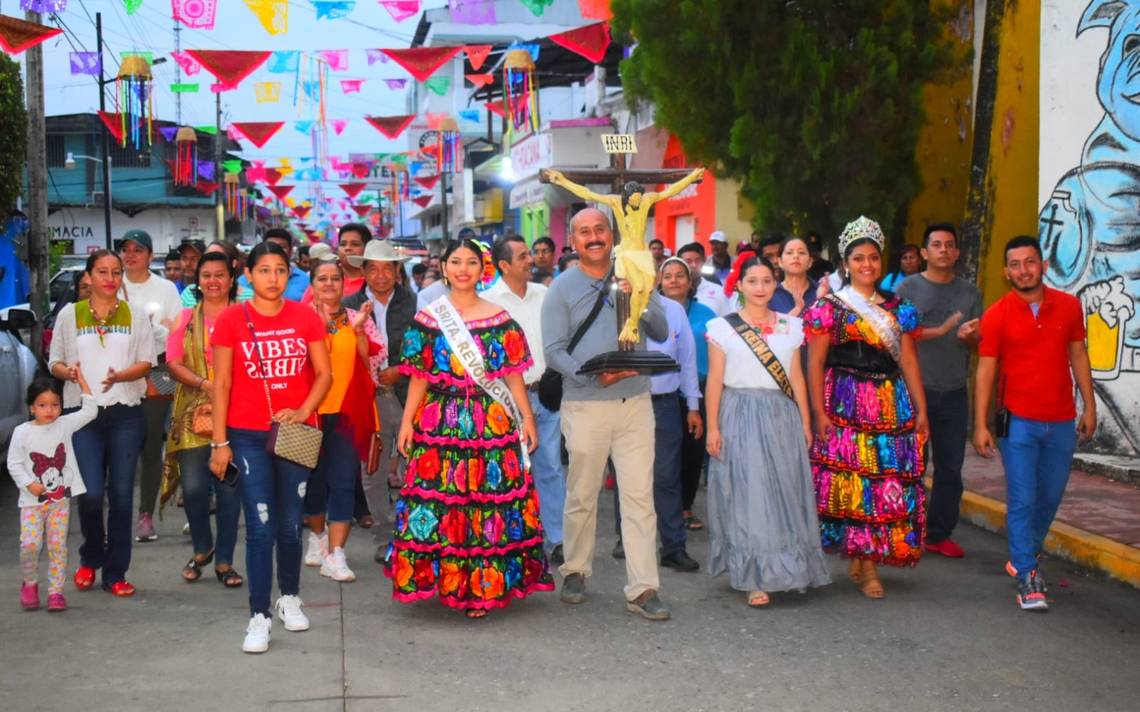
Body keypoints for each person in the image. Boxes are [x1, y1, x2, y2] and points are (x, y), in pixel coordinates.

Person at [385, 238, 553, 617]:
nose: (463, 268)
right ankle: (447, 581)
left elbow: (512, 377)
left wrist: (526, 419)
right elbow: (419, 377)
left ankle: (482, 588)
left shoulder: (499, 317)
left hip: (490, 422)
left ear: (483, 269)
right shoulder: (429, 318)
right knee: (441, 502)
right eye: (455, 261)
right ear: (443, 268)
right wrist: (407, 422)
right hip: (439, 421)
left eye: (471, 262)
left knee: (486, 503)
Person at [543, 207, 672, 621]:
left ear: (611, 235)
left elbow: (660, 330)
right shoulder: (561, 289)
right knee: (582, 493)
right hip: (585, 404)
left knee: (638, 497)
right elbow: (553, 351)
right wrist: (593, 377)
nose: (594, 237)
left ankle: (643, 587)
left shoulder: (634, 273)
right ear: (574, 241)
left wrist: (639, 295)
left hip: (635, 402)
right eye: (584, 232)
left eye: (600, 229)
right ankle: (576, 569)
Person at [208, 241, 332, 654]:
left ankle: (290, 598)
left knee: (290, 525)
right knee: (260, 527)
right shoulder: (230, 320)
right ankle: (258, 615)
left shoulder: (306, 316)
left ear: (289, 273)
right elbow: (221, 384)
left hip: (295, 434)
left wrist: (302, 410)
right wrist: (219, 442)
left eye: (280, 270)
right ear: (248, 275)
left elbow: (323, 374)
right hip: (246, 435)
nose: (273, 278)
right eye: (264, 270)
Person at [803, 216, 929, 599]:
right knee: (856, 481)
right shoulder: (830, 307)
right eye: (858, 258)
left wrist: (921, 410)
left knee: (884, 480)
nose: (867, 265)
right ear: (846, 262)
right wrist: (818, 412)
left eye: (873, 257)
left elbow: (908, 361)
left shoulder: (899, 308)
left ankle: (866, 554)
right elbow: (815, 363)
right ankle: (867, 563)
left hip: (890, 403)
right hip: (844, 401)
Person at [973, 235, 1096, 612]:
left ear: (1043, 265)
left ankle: (1023, 553)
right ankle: (1027, 573)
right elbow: (986, 370)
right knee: (1023, 498)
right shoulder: (997, 314)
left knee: (1050, 496)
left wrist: (1089, 406)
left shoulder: (1069, 307)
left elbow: (1078, 354)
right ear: (1005, 271)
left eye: (1030, 262)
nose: (1023, 270)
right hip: (1019, 423)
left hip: (1060, 420)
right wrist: (980, 424)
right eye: (1015, 264)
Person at [704, 256, 830, 606]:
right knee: (750, 494)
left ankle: (787, 569)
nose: (760, 288)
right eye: (753, 281)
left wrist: (804, 422)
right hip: (739, 413)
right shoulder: (722, 328)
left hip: (781, 415)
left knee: (785, 491)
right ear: (740, 286)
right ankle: (754, 576)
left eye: (766, 281)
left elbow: (797, 377)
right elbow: (715, 380)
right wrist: (712, 426)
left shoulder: (791, 327)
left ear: (775, 285)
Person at [48, 250, 156, 597]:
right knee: (91, 493)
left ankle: (115, 571)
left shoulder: (135, 315)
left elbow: (146, 362)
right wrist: (68, 372)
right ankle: (90, 556)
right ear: (89, 278)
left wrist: (121, 375)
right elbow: (55, 363)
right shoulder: (70, 315)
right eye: (102, 272)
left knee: (122, 496)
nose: (110, 278)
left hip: (125, 412)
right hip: (83, 415)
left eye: (116, 272)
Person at [896, 224, 982, 559]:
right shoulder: (908, 288)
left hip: (954, 390)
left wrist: (968, 337)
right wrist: (944, 328)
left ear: (957, 253)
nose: (943, 249)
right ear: (924, 252)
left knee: (950, 467)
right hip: (915, 390)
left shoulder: (970, 293)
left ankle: (938, 533)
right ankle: (907, 529)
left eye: (949, 244)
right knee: (913, 464)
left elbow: (978, 343)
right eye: (936, 244)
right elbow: (901, 336)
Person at [613, 257, 703, 572]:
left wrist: (693, 406)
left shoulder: (674, 310)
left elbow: (688, 361)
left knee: (666, 477)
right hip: (626, 400)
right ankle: (626, 538)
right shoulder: (617, 305)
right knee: (628, 475)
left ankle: (673, 547)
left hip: (665, 403)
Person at [163, 253, 244, 588]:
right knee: (195, 488)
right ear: (198, 281)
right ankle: (202, 547)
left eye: (220, 275)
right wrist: (204, 384)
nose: (213, 281)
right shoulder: (185, 318)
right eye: (206, 275)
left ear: (231, 279)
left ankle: (224, 560)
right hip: (194, 411)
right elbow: (173, 362)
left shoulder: (245, 317)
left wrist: (227, 388)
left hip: (239, 409)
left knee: (229, 489)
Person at [485, 235, 565, 564]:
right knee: (511, 473)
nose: (530, 259)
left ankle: (557, 538)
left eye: (529, 253)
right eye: (522, 256)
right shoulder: (488, 301)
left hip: (544, 395)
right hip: (506, 400)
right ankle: (515, 540)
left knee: (550, 468)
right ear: (504, 265)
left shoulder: (545, 295)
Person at [301, 260, 381, 582]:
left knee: (344, 481)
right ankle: (317, 538)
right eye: (323, 278)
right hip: (310, 413)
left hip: (349, 412)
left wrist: (359, 330)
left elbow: (370, 361)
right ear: (313, 283)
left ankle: (336, 555)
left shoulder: (356, 317)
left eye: (336, 278)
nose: (330, 283)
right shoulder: (298, 319)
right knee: (313, 483)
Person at [343, 239, 417, 563]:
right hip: (368, 398)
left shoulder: (414, 303)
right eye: (373, 268)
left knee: (413, 464)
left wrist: (402, 369)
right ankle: (385, 536)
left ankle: (414, 532)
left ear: (396, 271)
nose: (380, 275)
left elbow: (427, 349)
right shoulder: (348, 305)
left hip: (407, 395)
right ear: (364, 271)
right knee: (371, 468)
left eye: (387, 268)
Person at [8, 376, 97, 611]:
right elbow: (14, 463)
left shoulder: (64, 425)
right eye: (42, 405)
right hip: (31, 503)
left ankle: (56, 592)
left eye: (55, 404)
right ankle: (30, 583)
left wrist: (81, 381)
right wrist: (28, 483)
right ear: (31, 407)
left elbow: (90, 411)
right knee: (30, 545)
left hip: (60, 501)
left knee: (57, 547)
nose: (49, 410)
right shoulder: (21, 432)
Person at [118, 229, 183, 544]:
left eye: (138, 250)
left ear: (150, 255)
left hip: (156, 376)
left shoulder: (166, 288)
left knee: (149, 448)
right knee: (118, 447)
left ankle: (145, 513)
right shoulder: (112, 286)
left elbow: (173, 337)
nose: (131, 255)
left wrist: (147, 331)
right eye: (126, 249)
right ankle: (117, 512)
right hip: (116, 375)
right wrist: (154, 329)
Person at [656, 257, 717, 531]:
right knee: (663, 456)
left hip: (698, 390)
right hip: (663, 390)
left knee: (692, 452)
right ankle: (661, 510)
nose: (673, 281)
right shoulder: (650, 311)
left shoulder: (706, 314)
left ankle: (685, 507)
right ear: (659, 281)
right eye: (667, 276)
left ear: (690, 281)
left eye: (679, 275)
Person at [300, 224, 369, 305]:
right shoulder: (322, 280)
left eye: (355, 244)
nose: (347, 248)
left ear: (367, 249)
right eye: (343, 244)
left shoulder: (374, 282)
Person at [237, 229, 310, 302]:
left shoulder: (306, 280)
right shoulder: (246, 279)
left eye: (282, 247)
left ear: (290, 251)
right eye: (271, 245)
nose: (276, 250)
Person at [771, 236, 828, 317]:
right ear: (780, 262)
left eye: (801, 253)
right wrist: (798, 308)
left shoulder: (822, 290)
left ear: (810, 262)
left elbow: (830, 325)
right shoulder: (771, 294)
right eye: (789, 253)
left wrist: (821, 300)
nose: (796, 256)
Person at [182, 241, 253, 306]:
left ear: (233, 263)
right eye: (207, 257)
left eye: (219, 257)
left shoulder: (249, 297)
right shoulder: (189, 294)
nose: (212, 261)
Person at [678, 242, 730, 316]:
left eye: (698, 260)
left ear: (704, 260)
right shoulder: (673, 291)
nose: (694, 265)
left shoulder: (718, 290)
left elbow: (726, 321)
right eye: (688, 261)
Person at [176, 239, 206, 304]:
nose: (188, 264)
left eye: (193, 259)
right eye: (184, 258)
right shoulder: (173, 290)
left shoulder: (209, 290)